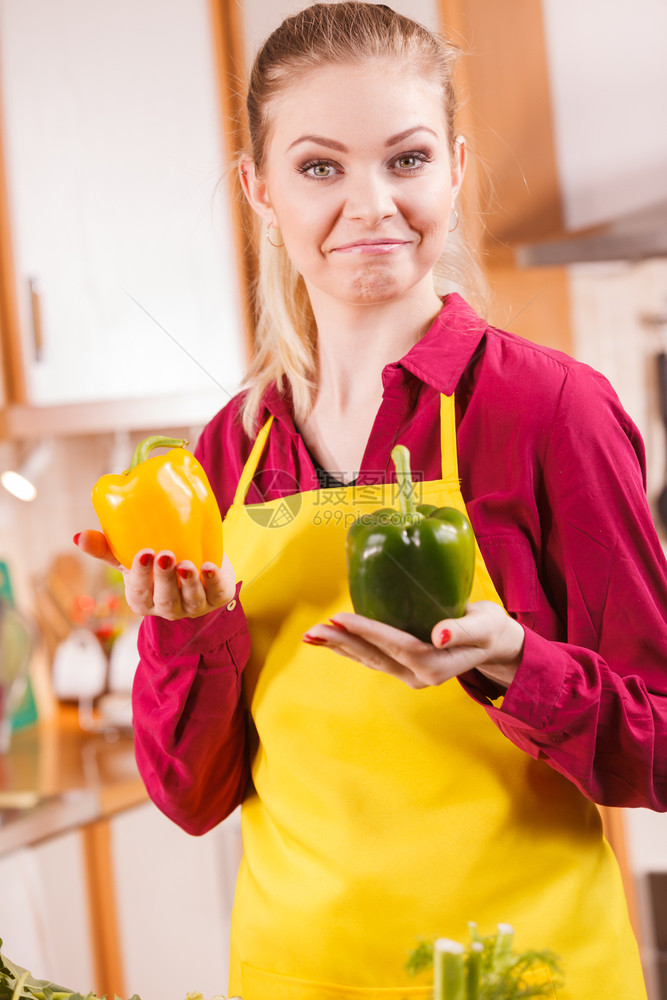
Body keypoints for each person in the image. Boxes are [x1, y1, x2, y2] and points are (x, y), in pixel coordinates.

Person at [76, 4, 667, 998]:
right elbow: (191, 798)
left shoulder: (547, 411)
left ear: (454, 165)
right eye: (319, 168)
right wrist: (184, 636)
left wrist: (520, 664)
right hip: (299, 974)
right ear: (258, 189)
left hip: (518, 974)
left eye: (405, 159)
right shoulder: (225, 453)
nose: (371, 205)